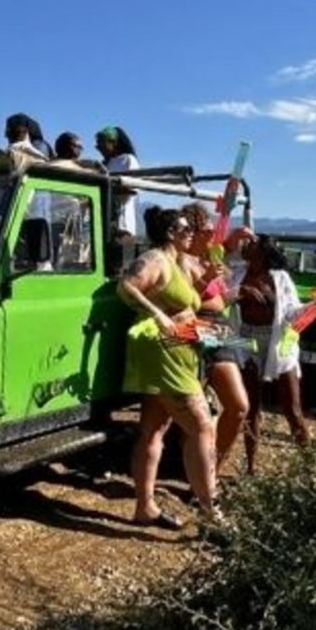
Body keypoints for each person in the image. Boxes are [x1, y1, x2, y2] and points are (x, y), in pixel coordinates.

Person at [118, 206, 218, 529]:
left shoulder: (177, 262)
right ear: (171, 232)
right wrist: (156, 314)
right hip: (163, 353)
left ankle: (144, 507)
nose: (192, 233)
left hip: (178, 350)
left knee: (154, 429)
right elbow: (126, 286)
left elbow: (184, 303)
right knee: (202, 426)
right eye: (186, 229)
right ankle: (211, 514)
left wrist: (206, 285)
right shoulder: (156, 259)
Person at [178, 202, 249, 472]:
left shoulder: (209, 258)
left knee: (238, 406)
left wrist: (239, 293)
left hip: (221, 331)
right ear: (193, 232)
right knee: (195, 414)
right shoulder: (181, 262)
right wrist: (206, 280)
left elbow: (219, 299)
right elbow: (180, 301)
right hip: (196, 330)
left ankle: (212, 470)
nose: (212, 233)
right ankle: (198, 475)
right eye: (207, 229)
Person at [234, 234, 311, 474]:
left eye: (253, 243)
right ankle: (251, 468)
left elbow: (293, 313)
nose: (247, 244)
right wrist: (240, 292)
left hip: (279, 343)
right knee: (251, 408)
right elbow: (221, 296)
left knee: (292, 409)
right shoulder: (237, 273)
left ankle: (308, 469)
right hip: (245, 341)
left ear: (263, 252)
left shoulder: (280, 279)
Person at [95, 126, 139, 239]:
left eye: (101, 145)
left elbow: (132, 189)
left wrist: (107, 188)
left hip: (122, 224)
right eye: (97, 147)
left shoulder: (128, 160)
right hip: (105, 222)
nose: (99, 149)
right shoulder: (107, 164)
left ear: (113, 143)